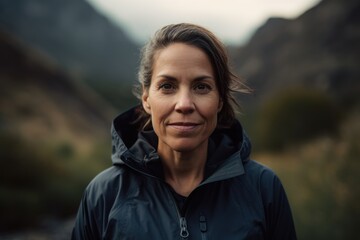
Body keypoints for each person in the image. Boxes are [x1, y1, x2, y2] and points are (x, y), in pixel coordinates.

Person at [72, 23, 297, 239]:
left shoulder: (263, 188)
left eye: (201, 87)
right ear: (146, 97)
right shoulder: (104, 194)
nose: (184, 104)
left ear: (219, 100)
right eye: (167, 86)